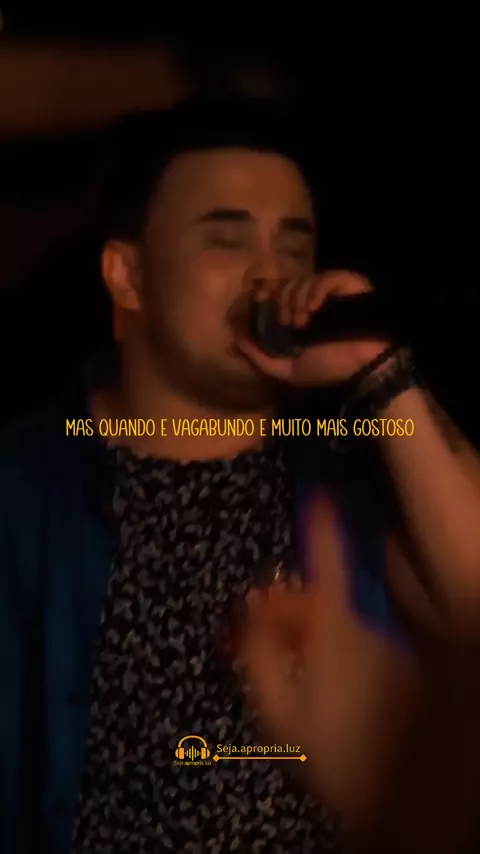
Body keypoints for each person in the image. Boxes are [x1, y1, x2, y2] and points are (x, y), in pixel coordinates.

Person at [1, 95, 480, 854]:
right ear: (127, 276)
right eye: (228, 240)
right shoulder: (26, 485)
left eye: (295, 246)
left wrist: (381, 373)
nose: (271, 275)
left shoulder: (351, 464)